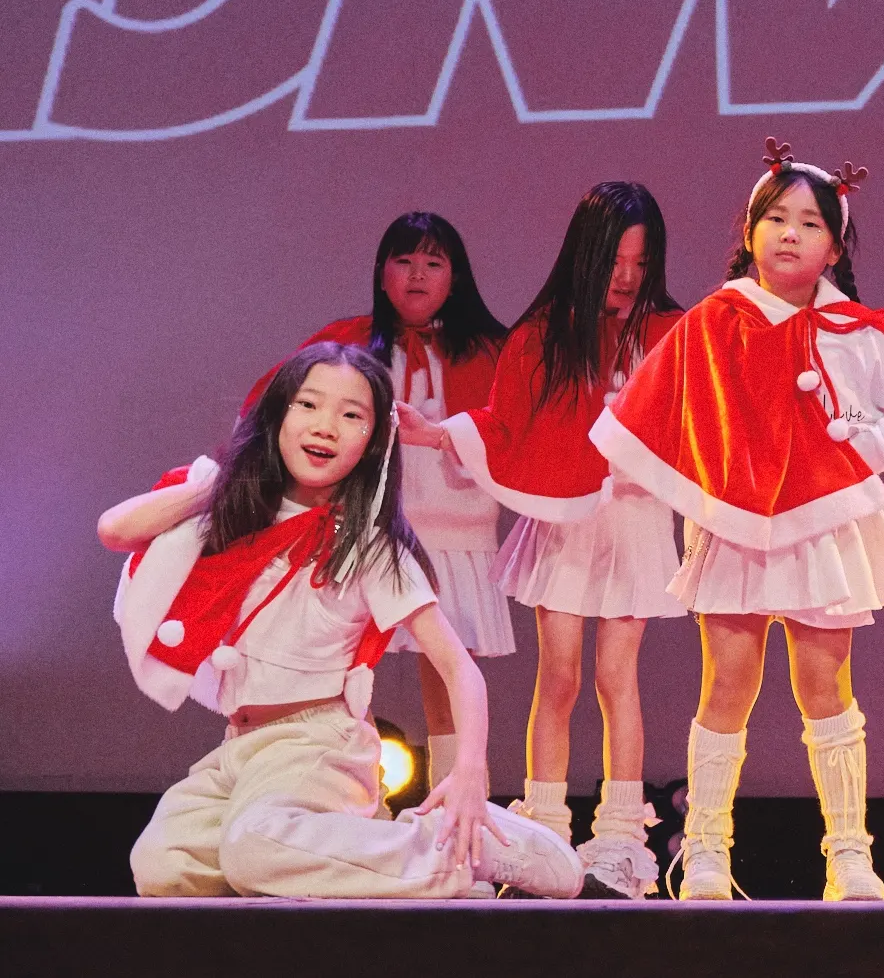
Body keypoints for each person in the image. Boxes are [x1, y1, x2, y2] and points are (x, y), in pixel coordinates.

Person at [592, 140, 884, 901]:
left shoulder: (855, 330)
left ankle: (850, 854)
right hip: (737, 525)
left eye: (809, 222)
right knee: (728, 682)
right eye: (775, 218)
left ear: (835, 245)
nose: (790, 233)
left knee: (824, 682)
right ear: (750, 233)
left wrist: (860, 448)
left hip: (825, 525)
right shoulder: (714, 321)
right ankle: (706, 849)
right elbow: (652, 411)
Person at [106, 343, 580, 899]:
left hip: (319, 745)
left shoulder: (370, 546)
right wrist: (223, 480)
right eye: (307, 405)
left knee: (253, 848)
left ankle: (455, 853)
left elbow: (459, 668)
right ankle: (351, 856)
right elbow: (117, 531)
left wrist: (470, 773)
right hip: (240, 744)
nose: (325, 426)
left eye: (352, 415)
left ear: (373, 440)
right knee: (162, 866)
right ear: (277, 415)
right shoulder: (233, 514)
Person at [399, 182, 683, 899]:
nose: (627, 276)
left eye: (641, 262)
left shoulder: (670, 332)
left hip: (637, 522)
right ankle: (546, 835)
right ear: (586, 255)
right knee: (558, 677)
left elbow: (703, 418)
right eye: (615, 260)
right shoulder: (545, 334)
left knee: (617, 676)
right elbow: (505, 422)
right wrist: (438, 434)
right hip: (564, 518)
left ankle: (620, 840)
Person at [244, 211, 513, 792]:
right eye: (404, 261)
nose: (417, 274)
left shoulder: (493, 351)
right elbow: (268, 408)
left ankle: (455, 804)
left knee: (448, 669)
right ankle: (343, 797)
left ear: (455, 278)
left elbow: (518, 432)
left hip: (457, 531)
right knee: (340, 663)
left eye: (433, 263)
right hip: (362, 530)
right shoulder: (344, 345)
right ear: (381, 272)